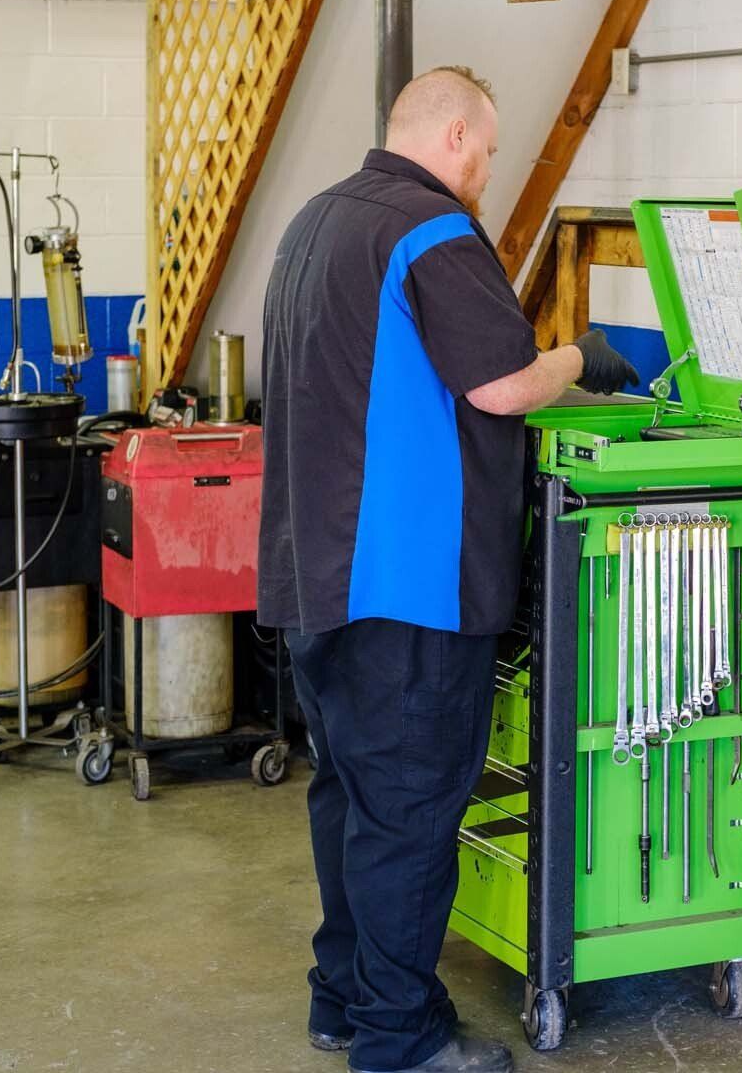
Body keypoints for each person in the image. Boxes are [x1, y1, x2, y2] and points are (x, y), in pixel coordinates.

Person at [257, 66, 638, 1073]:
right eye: (489, 151)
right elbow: (505, 385)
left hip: (318, 579)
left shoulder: (314, 223)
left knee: (349, 798)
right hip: (409, 589)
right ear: (460, 137)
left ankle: (340, 1001)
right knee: (411, 817)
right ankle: (399, 1040)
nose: (485, 171)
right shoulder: (433, 232)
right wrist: (578, 359)